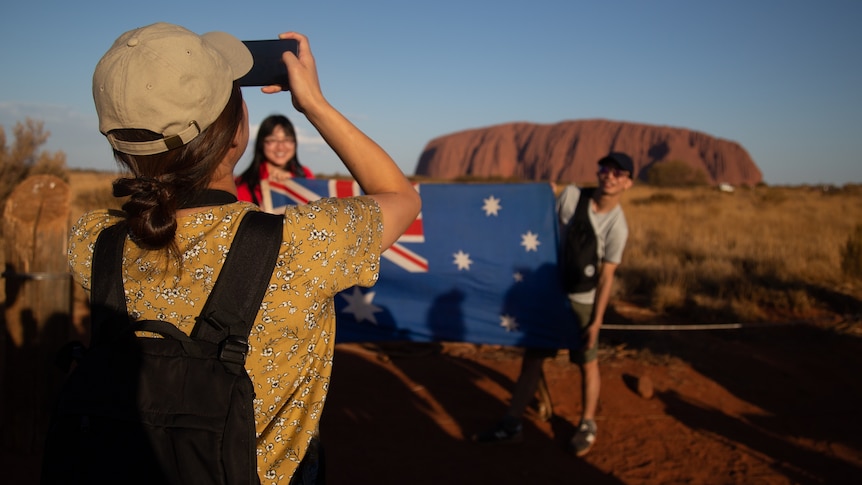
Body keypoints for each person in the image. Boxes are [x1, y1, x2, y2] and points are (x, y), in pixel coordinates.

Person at [69, 22, 420, 483]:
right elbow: (401, 196)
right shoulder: (304, 245)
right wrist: (312, 102)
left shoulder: (91, 243)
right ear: (236, 134)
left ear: (119, 141)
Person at [472, 152, 633, 457]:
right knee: (533, 359)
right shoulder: (572, 196)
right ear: (598, 172)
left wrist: (597, 321)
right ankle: (512, 424)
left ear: (628, 183)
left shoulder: (617, 227)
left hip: (583, 302)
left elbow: (607, 278)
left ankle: (587, 424)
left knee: (587, 362)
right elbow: (541, 223)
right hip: (550, 294)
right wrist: (541, 196)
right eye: (606, 169)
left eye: (619, 173)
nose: (610, 176)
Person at [236, 114, 313, 205]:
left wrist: (294, 185)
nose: (280, 147)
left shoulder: (305, 175)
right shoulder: (243, 184)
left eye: (287, 140)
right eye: (272, 140)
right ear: (261, 143)